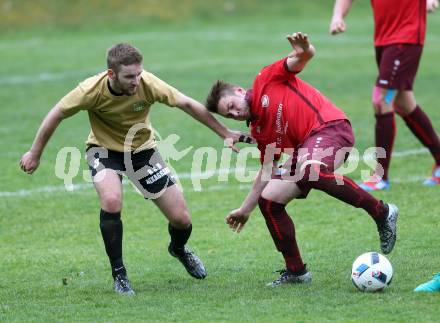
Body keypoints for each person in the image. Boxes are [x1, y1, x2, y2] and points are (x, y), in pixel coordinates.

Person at [19, 43, 251, 295]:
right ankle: (119, 274)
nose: (136, 81)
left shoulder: (147, 83)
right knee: (111, 200)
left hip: (143, 152)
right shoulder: (90, 90)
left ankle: (179, 249)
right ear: (112, 75)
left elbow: (186, 103)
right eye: (129, 76)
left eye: (139, 74)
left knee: (182, 220)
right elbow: (57, 113)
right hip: (103, 151)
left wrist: (224, 132)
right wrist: (35, 153)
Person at [204, 32, 399, 287]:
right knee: (270, 200)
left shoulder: (266, 79)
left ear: (240, 91)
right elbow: (266, 170)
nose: (234, 113)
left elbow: (301, 58)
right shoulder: (259, 131)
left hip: (331, 128)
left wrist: (305, 49)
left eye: (231, 105)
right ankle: (296, 271)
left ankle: (382, 212)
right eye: (228, 115)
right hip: (307, 151)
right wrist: (245, 209)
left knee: (310, 170)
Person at [329, 0, 440, 191]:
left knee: (381, 100)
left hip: (406, 37)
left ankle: (380, 176)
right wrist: (337, 16)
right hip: (384, 39)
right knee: (404, 103)